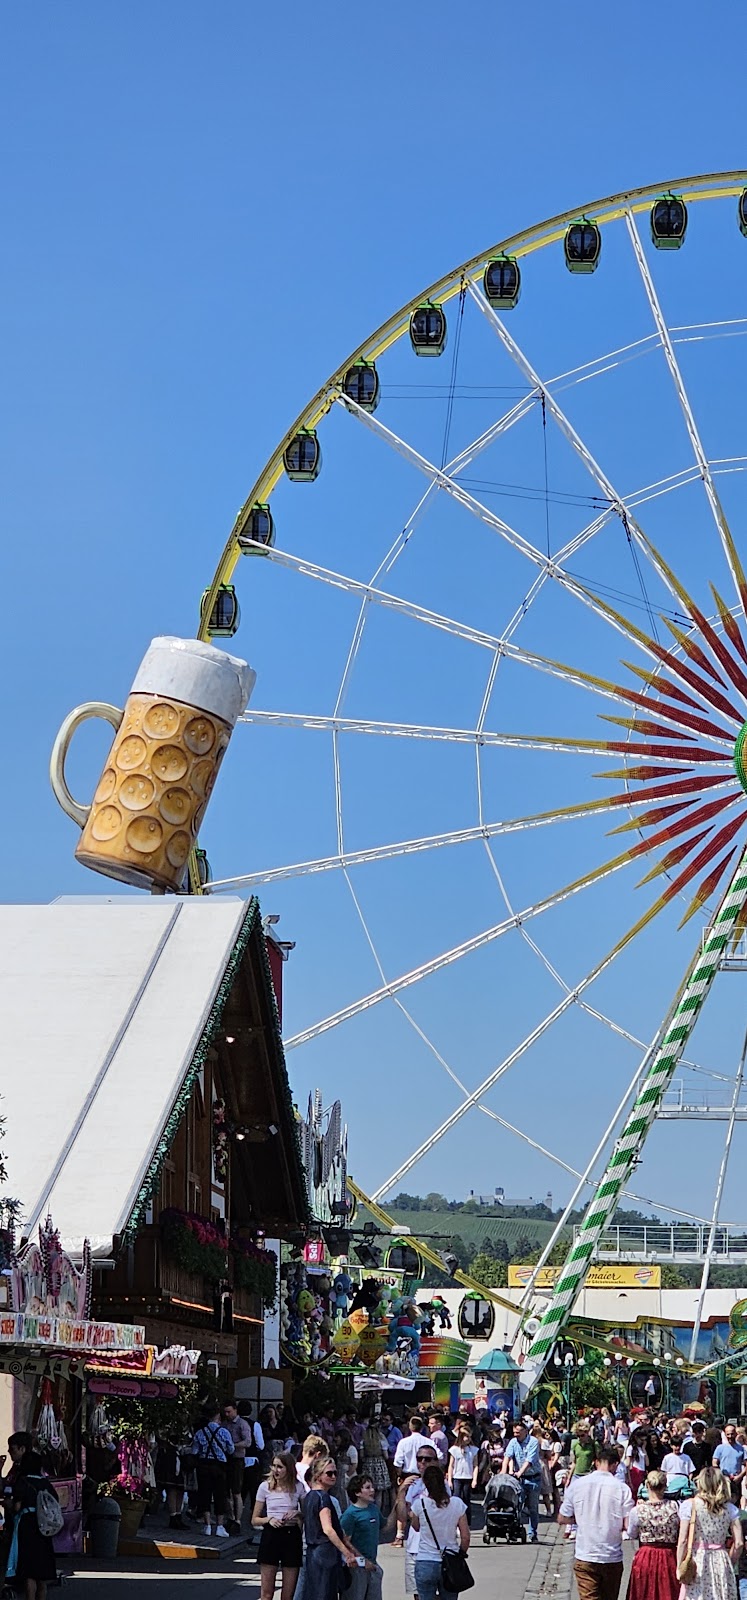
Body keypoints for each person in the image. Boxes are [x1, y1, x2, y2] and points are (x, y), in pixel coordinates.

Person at [558, 1446, 634, 1600]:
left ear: (596, 1462)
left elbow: (562, 1518)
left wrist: (579, 1519)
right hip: (611, 1555)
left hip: (586, 1553)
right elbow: (628, 1524)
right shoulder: (622, 1489)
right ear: (615, 1464)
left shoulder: (577, 1485)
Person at [676, 1466, 742, 1600]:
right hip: (721, 1558)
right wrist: (730, 1560)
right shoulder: (730, 1509)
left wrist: (679, 1566)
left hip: (697, 1559)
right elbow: (739, 1543)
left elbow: (682, 1540)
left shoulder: (690, 1506)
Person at [409, 1463, 469, 1600]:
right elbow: (465, 1537)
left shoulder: (420, 1504)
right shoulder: (457, 1503)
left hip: (426, 1560)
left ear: (425, 1483)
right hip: (450, 1559)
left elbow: (416, 1527)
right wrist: (460, 1554)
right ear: (443, 1480)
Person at [302, 1455, 359, 1600]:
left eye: (335, 1473)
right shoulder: (323, 1497)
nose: (333, 1476)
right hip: (325, 1552)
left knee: (314, 1593)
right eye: (329, 1473)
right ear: (318, 1475)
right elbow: (328, 1529)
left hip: (313, 1553)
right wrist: (346, 1553)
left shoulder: (309, 1497)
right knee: (325, 1594)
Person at [5, 1448, 58, 1600]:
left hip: (27, 1526)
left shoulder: (24, 1481)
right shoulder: (46, 1483)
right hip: (44, 1527)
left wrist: (8, 1504)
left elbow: (16, 1507)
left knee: (29, 1572)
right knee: (42, 1574)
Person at [252, 1451, 306, 1600]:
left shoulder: (298, 1487)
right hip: (271, 1534)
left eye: (280, 1467)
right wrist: (269, 1519)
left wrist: (297, 1513)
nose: (276, 1470)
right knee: (267, 1593)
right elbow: (255, 1519)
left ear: (288, 1469)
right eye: (274, 1466)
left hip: (291, 1535)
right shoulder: (265, 1487)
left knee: (288, 1594)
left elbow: (306, 1514)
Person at [627, 1469, 679, 1600]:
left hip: (646, 1555)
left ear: (647, 1485)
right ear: (665, 1486)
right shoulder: (675, 1507)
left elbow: (631, 1534)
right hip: (669, 1556)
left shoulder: (637, 1510)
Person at [398, 1442, 439, 1600]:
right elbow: (404, 1515)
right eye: (419, 1458)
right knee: (417, 1593)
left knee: (433, 1593)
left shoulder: (441, 1486)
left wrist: (413, 1514)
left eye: (427, 1459)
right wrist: (401, 1491)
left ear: (435, 1461)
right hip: (414, 1546)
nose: (422, 1462)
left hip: (433, 1549)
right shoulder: (413, 1483)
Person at [340, 1475, 390, 1600]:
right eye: (367, 1488)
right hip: (357, 1566)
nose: (372, 1490)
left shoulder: (373, 1509)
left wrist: (398, 1504)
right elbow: (345, 1542)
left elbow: (386, 1526)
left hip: (372, 1563)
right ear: (357, 1492)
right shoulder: (350, 1515)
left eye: (372, 1487)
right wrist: (362, 1561)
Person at [192, 1403, 235, 1538]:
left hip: (204, 1465)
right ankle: (220, 1526)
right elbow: (231, 1449)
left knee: (204, 1494)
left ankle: (207, 1525)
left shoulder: (200, 1432)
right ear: (218, 1417)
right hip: (220, 1466)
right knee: (220, 1495)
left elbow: (195, 1451)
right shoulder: (224, 1432)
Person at [502, 1419, 542, 1544]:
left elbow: (529, 1460)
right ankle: (513, 1531)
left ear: (525, 1431)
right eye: (514, 1432)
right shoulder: (513, 1442)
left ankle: (533, 1533)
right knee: (516, 1506)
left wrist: (520, 1472)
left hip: (533, 1478)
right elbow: (507, 1457)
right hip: (519, 1480)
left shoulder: (533, 1442)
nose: (516, 1435)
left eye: (518, 1432)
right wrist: (503, 1472)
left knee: (533, 1508)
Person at [393, 1418, 432, 1545]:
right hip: (425, 1475)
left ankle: (400, 1536)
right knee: (424, 1503)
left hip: (408, 1475)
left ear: (410, 1427)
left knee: (402, 1503)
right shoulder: (428, 1442)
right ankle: (423, 1532)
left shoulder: (404, 1442)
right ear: (422, 1428)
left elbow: (398, 1462)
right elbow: (440, 1457)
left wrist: (399, 1475)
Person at [224, 1401, 257, 1528]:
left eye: (229, 1412)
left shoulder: (242, 1424)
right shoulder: (225, 1424)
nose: (227, 1414)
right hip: (226, 1459)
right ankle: (230, 1516)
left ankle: (237, 1520)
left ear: (235, 1410)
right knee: (226, 1490)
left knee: (236, 1490)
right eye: (225, 1412)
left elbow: (248, 1442)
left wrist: (233, 1445)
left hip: (237, 1459)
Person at [446, 1424, 478, 1527]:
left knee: (466, 1501)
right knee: (456, 1500)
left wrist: (474, 1479)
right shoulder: (454, 1449)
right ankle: (454, 1523)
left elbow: (475, 1465)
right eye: (465, 1436)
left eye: (469, 1436)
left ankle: (466, 1524)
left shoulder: (473, 1450)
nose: (467, 1439)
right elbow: (451, 1465)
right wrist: (450, 1480)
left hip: (468, 1478)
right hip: (457, 1478)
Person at [359, 1423, 389, 1510]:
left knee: (368, 1489)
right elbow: (386, 1456)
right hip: (379, 1463)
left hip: (368, 1464)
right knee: (379, 1492)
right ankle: (377, 1511)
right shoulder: (381, 1439)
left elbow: (361, 1456)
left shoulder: (363, 1440)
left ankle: (368, 1509)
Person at [714, 1424, 746, 1503]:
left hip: (736, 1480)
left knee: (736, 1502)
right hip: (723, 1480)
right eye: (728, 1434)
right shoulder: (720, 1448)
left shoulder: (741, 1449)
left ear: (735, 1434)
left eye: (732, 1434)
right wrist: (720, 1475)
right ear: (725, 1434)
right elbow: (714, 1463)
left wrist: (739, 1476)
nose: (730, 1436)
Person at [625, 1433, 648, 1499]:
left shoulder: (641, 1449)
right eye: (641, 1439)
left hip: (642, 1473)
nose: (642, 1441)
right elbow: (628, 1464)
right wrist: (629, 1479)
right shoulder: (631, 1448)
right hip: (635, 1472)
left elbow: (647, 1463)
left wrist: (644, 1448)